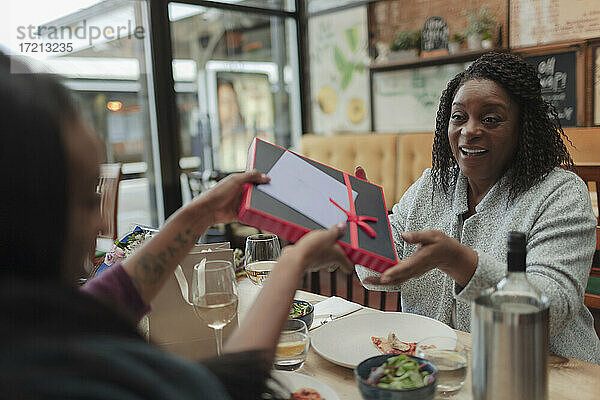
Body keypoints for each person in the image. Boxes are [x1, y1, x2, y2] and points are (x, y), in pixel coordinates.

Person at [0, 52, 353, 399]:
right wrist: (293, 263)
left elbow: (106, 302)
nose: (99, 225)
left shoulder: (32, 326)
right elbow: (226, 389)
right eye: (88, 201)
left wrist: (201, 213)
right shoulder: (59, 376)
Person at [355, 52, 600, 364]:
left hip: (549, 370)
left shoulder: (559, 193)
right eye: (458, 117)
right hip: (440, 370)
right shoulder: (431, 185)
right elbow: (380, 270)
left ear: (523, 128)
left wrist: (462, 263)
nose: (469, 130)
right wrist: (362, 230)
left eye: (491, 119)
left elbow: (555, 309)